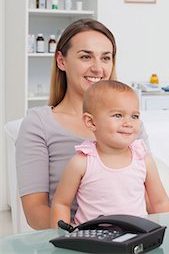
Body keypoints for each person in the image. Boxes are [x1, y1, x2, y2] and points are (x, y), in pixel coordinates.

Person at [15, 19, 152, 229]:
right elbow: (36, 213)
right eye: (86, 56)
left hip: (132, 237)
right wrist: (84, 239)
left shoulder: (129, 124)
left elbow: (148, 198)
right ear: (61, 61)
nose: (97, 68)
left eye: (106, 58)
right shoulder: (39, 124)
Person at [50, 80, 169, 226]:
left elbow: (160, 202)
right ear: (91, 122)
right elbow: (61, 203)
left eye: (134, 116)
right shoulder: (82, 162)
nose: (128, 122)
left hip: (137, 235)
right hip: (92, 238)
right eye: (118, 115)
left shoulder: (143, 159)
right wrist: (63, 237)